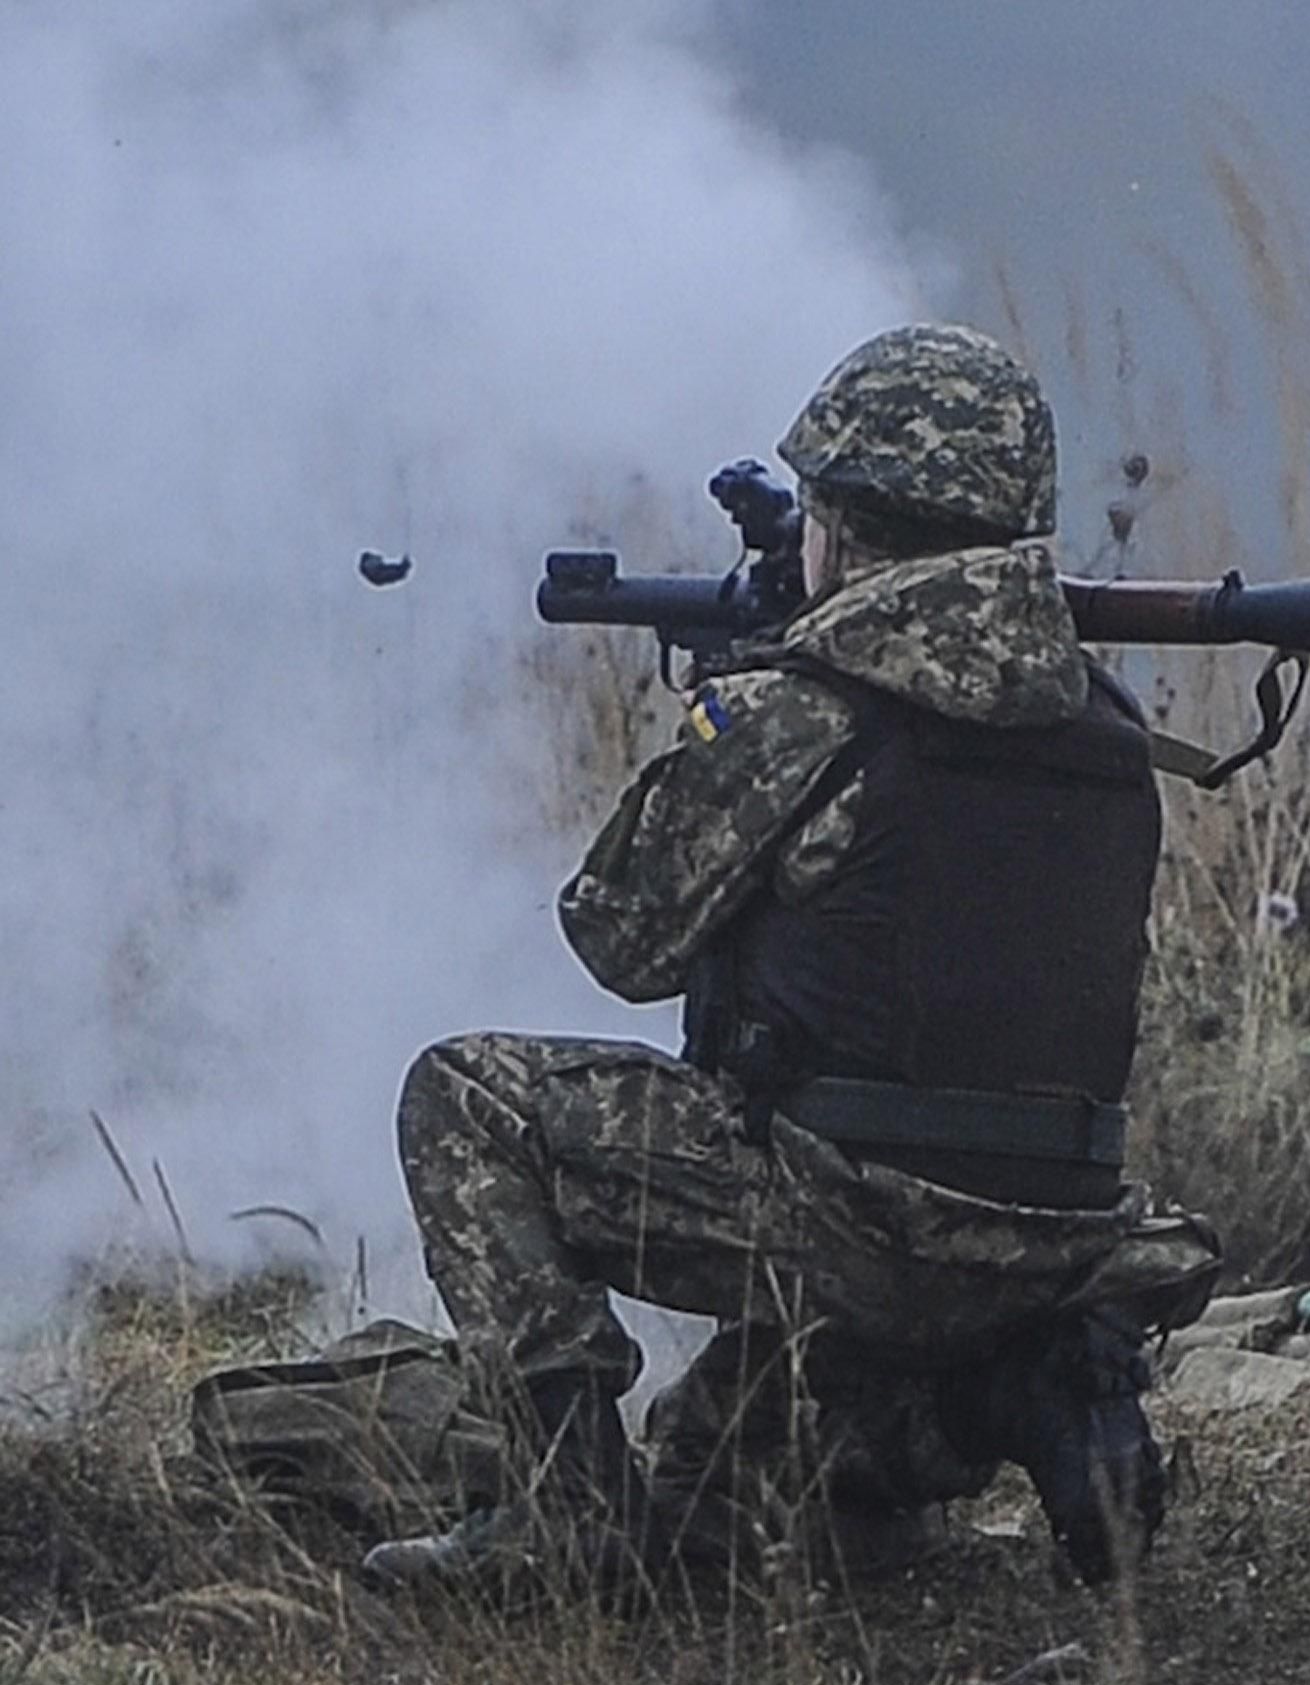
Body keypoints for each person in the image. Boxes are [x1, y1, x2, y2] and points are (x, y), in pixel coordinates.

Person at [364, 323, 1222, 1589]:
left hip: (853, 1217)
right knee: (715, 1493)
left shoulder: (803, 710)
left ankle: (564, 1519)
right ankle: (1021, 1398)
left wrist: (723, 718)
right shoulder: (1106, 722)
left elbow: (618, 938)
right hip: (1053, 1236)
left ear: (844, 527)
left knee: (465, 1096)